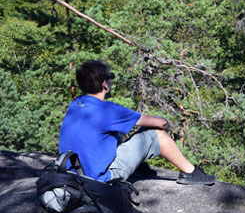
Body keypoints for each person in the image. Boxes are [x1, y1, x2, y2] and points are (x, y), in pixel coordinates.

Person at [58, 60, 215, 185]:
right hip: (98, 181)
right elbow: (160, 124)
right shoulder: (108, 110)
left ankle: (138, 167)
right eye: (110, 77)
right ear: (105, 84)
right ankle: (190, 172)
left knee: (118, 134)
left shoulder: (76, 104)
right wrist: (166, 124)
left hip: (72, 175)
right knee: (155, 134)